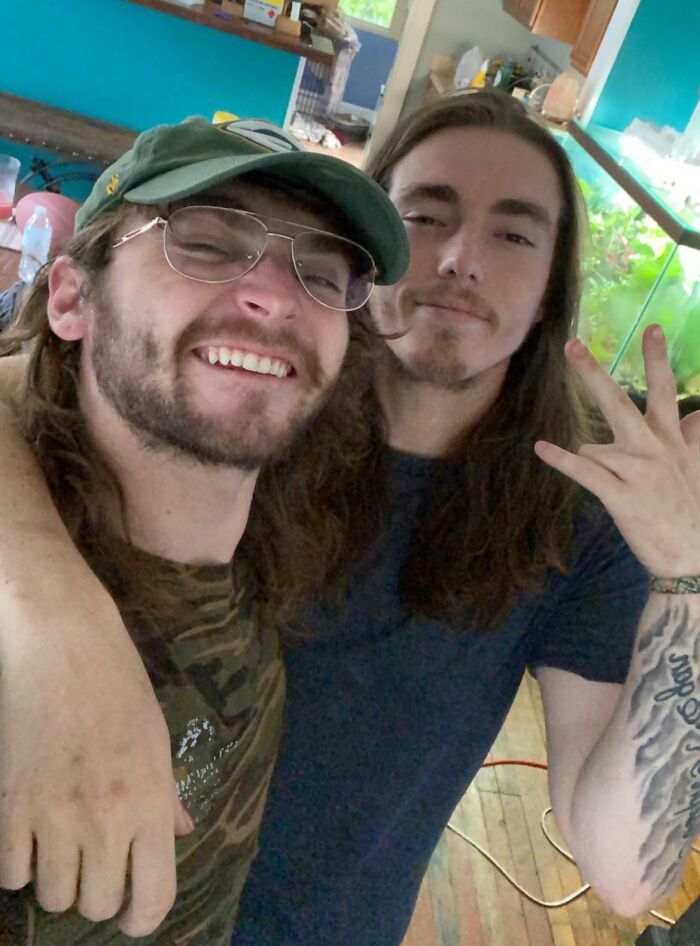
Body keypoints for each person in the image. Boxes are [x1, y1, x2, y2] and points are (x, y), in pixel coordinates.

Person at [0, 90, 699, 946]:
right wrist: (46, 608)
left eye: (514, 234)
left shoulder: (574, 507)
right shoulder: (253, 397)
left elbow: (628, 875)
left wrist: (688, 578)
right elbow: (40, 370)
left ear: (551, 288)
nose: (460, 260)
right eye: (426, 216)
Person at [0, 113, 407, 945]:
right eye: (210, 245)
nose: (276, 295)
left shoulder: (278, 537)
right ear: (74, 299)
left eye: (322, 272)